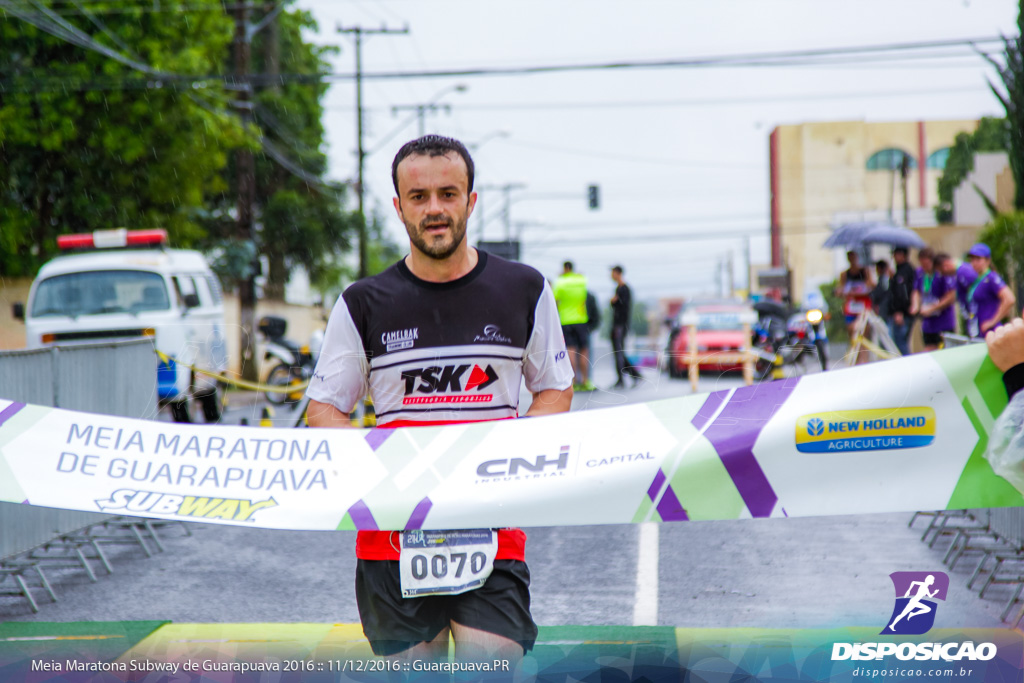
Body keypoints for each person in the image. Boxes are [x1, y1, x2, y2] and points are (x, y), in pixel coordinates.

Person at [305, 135, 574, 671]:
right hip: (391, 538)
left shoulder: (525, 289)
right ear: (399, 206)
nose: (435, 210)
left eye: (448, 194)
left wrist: (503, 459)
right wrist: (381, 471)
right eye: (419, 196)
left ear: (471, 201)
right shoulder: (362, 303)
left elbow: (555, 387)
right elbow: (324, 408)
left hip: (491, 527)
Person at [959, 243, 1016, 339]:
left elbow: (1010, 299)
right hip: (978, 331)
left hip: (990, 333)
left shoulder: (991, 278)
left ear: (987, 260)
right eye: (972, 259)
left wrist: (993, 321)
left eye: (978, 259)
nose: (974, 263)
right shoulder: (978, 279)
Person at [553, 261, 594, 391]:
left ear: (564, 269)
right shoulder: (581, 280)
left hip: (565, 320)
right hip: (581, 320)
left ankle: (575, 381)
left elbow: (555, 300)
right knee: (584, 351)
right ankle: (586, 381)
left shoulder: (560, 282)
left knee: (571, 350)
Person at [911, 249, 957, 352]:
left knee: (946, 351)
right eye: (922, 264)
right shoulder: (919, 273)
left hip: (943, 321)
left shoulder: (941, 273)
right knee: (929, 350)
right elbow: (916, 291)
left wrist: (933, 308)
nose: (925, 268)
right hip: (928, 323)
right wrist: (915, 305)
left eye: (927, 264)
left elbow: (951, 296)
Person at [837, 250, 875, 365]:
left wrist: (859, 290)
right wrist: (843, 292)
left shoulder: (865, 271)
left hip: (863, 307)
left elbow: (871, 285)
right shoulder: (845, 274)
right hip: (851, 308)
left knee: (863, 334)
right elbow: (840, 289)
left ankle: (864, 360)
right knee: (852, 334)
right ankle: (856, 360)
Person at [609, 265, 643, 389]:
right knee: (618, 352)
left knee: (619, 352)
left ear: (618, 273)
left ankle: (628, 377)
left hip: (620, 325)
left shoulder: (624, 289)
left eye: (612, 273)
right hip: (617, 325)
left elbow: (623, 307)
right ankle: (633, 375)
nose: (611, 276)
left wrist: (614, 302)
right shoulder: (619, 289)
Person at [888, 247, 916, 356]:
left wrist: (899, 311)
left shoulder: (904, 272)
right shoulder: (899, 271)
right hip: (901, 313)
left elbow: (902, 294)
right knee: (899, 343)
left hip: (902, 314)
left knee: (901, 345)